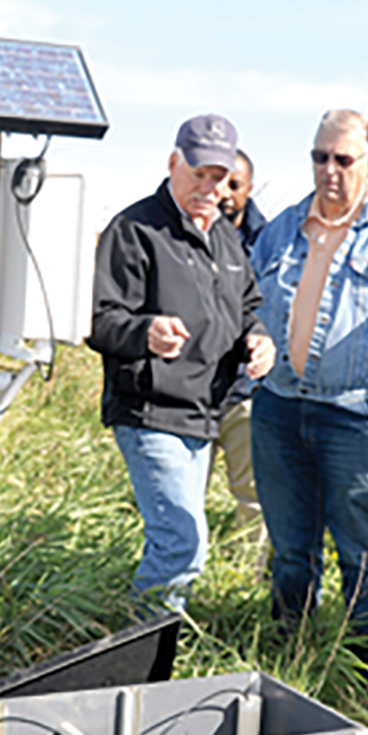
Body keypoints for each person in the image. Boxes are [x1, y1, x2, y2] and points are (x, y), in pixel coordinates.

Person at [248, 110, 368, 690]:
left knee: (363, 554)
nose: (329, 170)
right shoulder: (281, 229)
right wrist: (256, 341)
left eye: (343, 159)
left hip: (355, 416)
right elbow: (251, 304)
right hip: (278, 408)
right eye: (320, 157)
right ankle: (290, 653)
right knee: (291, 549)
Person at [88, 115, 275, 613]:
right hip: (151, 412)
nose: (210, 187)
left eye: (219, 176)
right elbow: (100, 322)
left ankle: (150, 652)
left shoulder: (226, 239)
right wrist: (144, 332)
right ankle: (141, 666)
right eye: (199, 173)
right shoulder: (134, 229)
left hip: (206, 414)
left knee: (179, 545)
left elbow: (247, 310)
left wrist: (258, 340)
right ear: (174, 163)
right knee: (182, 546)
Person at [214, 149, 270, 556]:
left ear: (250, 189)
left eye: (236, 185)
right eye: (220, 183)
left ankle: (244, 579)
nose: (226, 194)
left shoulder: (269, 242)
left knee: (252, 495)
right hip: (190, 394)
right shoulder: (183, 235)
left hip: (243, 390)